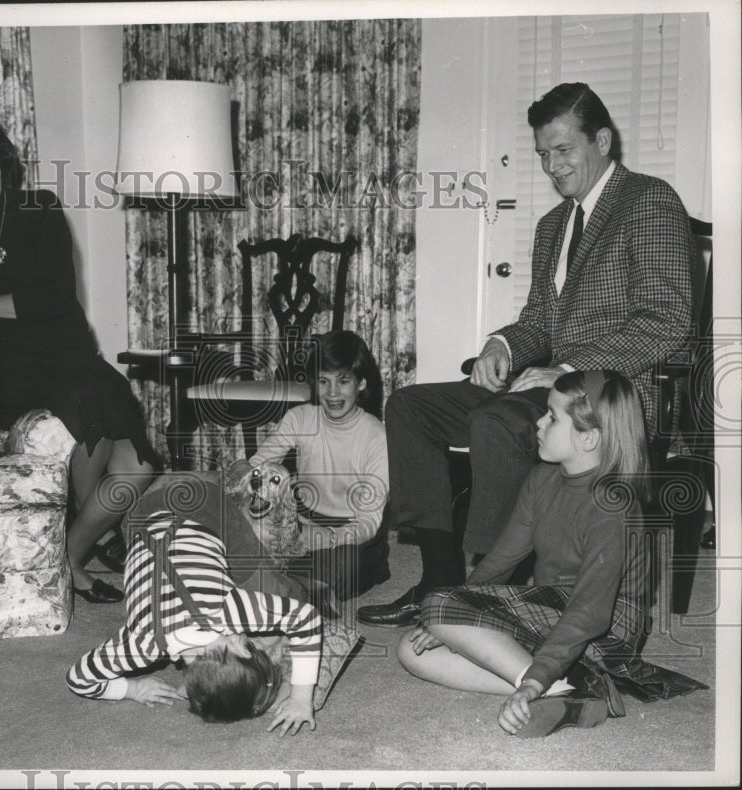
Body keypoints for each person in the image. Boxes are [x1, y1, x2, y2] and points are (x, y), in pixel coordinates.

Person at [359, 82, 695, 628]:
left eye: (563, 150)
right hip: (545, 389)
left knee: (496, 421)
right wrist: (502, 344)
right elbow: (540, 320)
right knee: (409, 407)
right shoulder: (552, 226)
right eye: (543, 154)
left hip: (612, 395)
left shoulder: (649, 202)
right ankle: (437, 579)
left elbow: (668, 321)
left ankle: (495, 597)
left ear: (602, 141)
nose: (551, 166)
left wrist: (568, 370)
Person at [0, 113, 158, 605]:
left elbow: (54, 299)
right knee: (89, 406)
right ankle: (81, 556)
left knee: (139, 467)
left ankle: (67, 552)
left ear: (3, 160)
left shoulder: (41, 207)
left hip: (70, 351)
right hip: (9, 367)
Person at [397, 370, 706, 737]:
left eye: (552, 417)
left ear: (589, 437)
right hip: (552, 613)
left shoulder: (615, 508)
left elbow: (589, 613)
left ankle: (546, 685)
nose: (539, 423)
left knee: (438, 604)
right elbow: (501, 560)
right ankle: (569, 689)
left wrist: (532, 680)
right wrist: (452, 618)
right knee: (411, 650)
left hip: (605, 630)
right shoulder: (542, 479)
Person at [66, 477, 322, 734]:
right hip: (148, 515)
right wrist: (132, 688)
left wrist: (301, 698)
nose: (249, 639)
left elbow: (306, 618)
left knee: (270, 585)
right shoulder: (141, 643)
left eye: (252, 646)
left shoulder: (227, 609)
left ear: (241, 647)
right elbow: (79, 679)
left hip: (181, 507)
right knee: (259, 584)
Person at [230, 330, 389, 601]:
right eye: (324, 381)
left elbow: (369, 522)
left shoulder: (377, 437)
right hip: (301, 518)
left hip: (350, 529)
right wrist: (242, 474)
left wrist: (328, 538)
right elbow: (257, 466)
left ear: (361, 383)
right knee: (240, 538)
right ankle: (284, 581)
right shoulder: (300, 418)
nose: (332, 393)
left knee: (342, 568)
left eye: (343, 381)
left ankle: (288, 583)